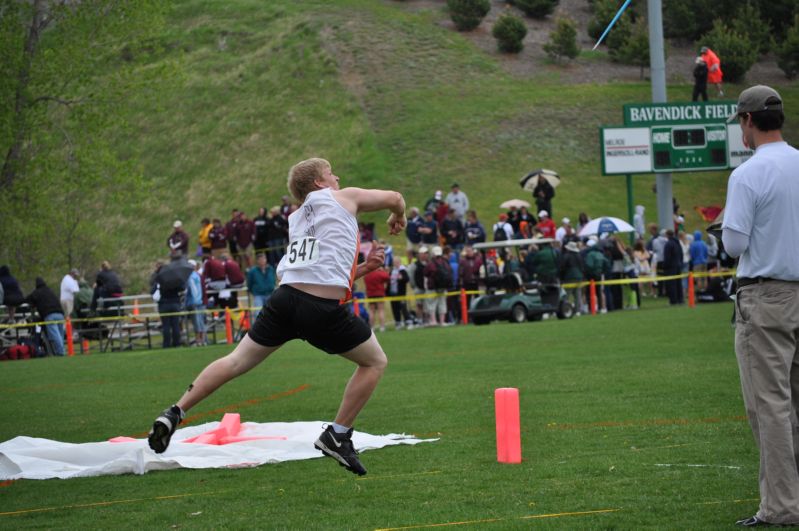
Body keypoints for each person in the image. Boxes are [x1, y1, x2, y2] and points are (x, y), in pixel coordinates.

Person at [146, 157, 406, 478]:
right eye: (330, 174)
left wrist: (365, 269)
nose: (337, 177)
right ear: (319, 183)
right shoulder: (345, 197)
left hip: (284, 300)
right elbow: (395, 197)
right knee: (374, 362)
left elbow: (310, 273)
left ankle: (176, 411)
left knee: (236, 361)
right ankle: (337, 435)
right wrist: (398, 216)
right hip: (318, 306)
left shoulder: (296, 218)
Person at [722, 85, 799, 527]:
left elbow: (734, 244)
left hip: (766, 296)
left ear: (748, 121)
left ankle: (782, 506)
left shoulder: (747, 174)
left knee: (770, 405)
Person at [424, 245, 452, 326]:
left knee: (431, 304)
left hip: (432, 287)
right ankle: (442, 322)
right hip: (443, 287)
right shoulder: (445, 262)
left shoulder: (431, 263)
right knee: (442, 304)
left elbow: (425, 273)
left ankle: (433, 321)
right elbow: (450, 272)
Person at [185, 259, 206, 347]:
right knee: (200, 321)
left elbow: (193, 290)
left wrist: (194, 300)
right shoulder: (197, 275)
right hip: (199, 301)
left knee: (197, 322)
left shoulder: (190, 276)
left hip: (194, 302)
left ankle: (198, 341)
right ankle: (202, 340)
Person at [387, 257, 411, 330]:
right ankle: (398, 323)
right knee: (395, 308)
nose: (395, 263)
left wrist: (402, 278)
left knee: (403, 307)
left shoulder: (402, 270)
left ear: (400, 262)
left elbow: (407, 279)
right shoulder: (391, 271)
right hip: (392, 293)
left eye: (397, 262)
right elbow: (389, 282)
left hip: (401, 293)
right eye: (394, 262)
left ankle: (408, 322)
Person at [364, 264, 389, 332]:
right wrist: (382, 270)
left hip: (370, 295)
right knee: (381, 310)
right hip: (379, 294)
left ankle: (372, 327)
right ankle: (382, 327)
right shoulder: (379, 273)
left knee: (371, 311)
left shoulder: (367, 275)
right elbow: (387, 277)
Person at [662, 229, 683, 305]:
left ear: (667, 235)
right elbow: (681, 254)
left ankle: (673, 300)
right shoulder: (677, 243)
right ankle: (680, 299)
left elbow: (667, 257)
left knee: (671, 284)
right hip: (678, 266)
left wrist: (664, 266)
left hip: (670, 267)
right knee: (678, 283)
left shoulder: (668, 244)